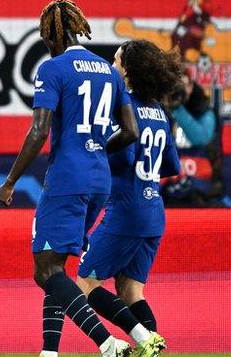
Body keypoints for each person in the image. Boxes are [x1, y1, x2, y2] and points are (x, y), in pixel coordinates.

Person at [0, 0, 139, 357]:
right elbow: (131, 131)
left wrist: (11, 181)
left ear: (49, 34)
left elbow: (39, 130)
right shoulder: (108, 70)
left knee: (45, 271)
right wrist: (98, 149)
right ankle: (50, 352)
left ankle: (107, 343)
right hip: (99, 181)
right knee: (55, 268)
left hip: (67, 179)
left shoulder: (53, 68)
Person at [74, 39, 181, 357]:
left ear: (129, 70)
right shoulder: (159, 110)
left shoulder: (123, 107)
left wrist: (98, 150)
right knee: (130, 290)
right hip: (153, 211)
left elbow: (124, 151)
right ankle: (153, 347)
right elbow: (171, 166)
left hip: (125, 211)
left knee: (85, 285)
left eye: (116, 61)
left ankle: (142, 340)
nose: (112, 66)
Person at [161, 70, 230, 207]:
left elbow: (201, 139)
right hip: (168, 186)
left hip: (203, 187)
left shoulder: (204, 108)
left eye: (184, 84)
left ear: (191, 87)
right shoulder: (160, 107)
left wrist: (177, 109)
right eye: (175, 85)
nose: (180, 89)